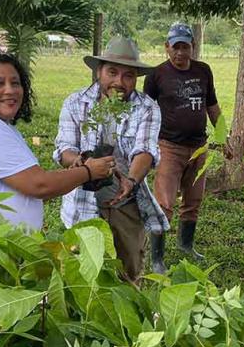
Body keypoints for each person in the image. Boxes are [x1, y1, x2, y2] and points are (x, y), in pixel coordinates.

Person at [0, 53, 114, 232]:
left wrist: (75, 173)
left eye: (15, 83)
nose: (10, 90)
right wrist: (88, 171)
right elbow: (39, 185)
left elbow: (24, 184)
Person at [54, 37, 169, 283]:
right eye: (112, 72)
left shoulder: (147, 108)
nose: (119, 82)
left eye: (128, 75)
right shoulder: (76, 103)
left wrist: (130, 180)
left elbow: (145, 150)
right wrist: (80, 163)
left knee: (127, 272)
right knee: (81, 273)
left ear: (136, 78)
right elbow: (64, 149)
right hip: (82, 201)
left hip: (124, 203)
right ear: (99, 72)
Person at [143, 22, 221, 273]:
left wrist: (223, 135)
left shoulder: (203, 71)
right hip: (169, 147)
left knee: (193, 200)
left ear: (192, 47)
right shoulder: (156, 75)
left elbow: (212, 106)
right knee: (164, 203)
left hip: (199, 147)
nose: (180, 53)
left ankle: (186, 245)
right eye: (175, 47)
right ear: (167, 47)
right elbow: (146, 111)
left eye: (184, 47)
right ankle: (156, 258)